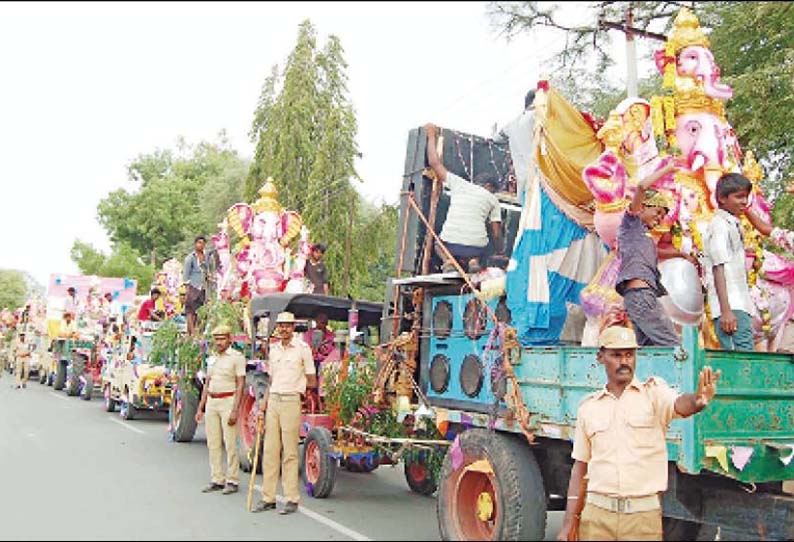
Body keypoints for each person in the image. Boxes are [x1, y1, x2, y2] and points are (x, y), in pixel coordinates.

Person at [557, 325, 721, 541]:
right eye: (616, 355)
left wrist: (697, 401)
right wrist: (569, 521)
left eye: (629, 354)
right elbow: (580, 467)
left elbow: (679, 404)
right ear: (600, 357)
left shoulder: (653, 395)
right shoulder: (588, 407)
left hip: (642, 518)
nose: (624, 361)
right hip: (597, 516)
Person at [253, 312, 317, 515]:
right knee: (270, 451)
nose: (284, 329)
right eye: (280, 326)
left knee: (289, 452)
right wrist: (263, 405)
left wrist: (300, 391)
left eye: (287, 326)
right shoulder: (273, 349)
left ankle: (291, 498)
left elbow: (312, 379)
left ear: (293, 327)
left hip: (291, 400)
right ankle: (268, 497)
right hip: (273, 400)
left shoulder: (302, 349)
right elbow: (271, 381)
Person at [614, 161, 681, 346]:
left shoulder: (643, 236)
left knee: (649, 349)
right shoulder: (631, 224)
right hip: (641, 295)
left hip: (638, 296)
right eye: (658, 212)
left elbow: (655, 252)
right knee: (672, 346)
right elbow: (643, 186)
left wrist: (681, 256)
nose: (660, 219)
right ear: (642, 207)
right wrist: (668, 168)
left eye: (663, 216)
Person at [424, 123, 503, 274]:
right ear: (488, 186)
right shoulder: (493, 200)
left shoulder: (459, 184)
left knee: (438, 245)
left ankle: (447, 261)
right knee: (484, 243)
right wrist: (500, 250)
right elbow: (496, 233)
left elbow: (434, 163)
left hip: (450, 244)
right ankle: (474, 261)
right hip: (477, 247)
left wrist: (431, 135)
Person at [703, 173, 754, 351]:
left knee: (745, 360)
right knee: (740, 362)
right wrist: (726, 311)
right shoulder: (719, 225)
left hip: (739, 304)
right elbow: (718, 267)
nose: (744, 202)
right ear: (722, 198)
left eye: (746, 197)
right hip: (731, 307)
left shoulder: (731, 223)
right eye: (739, 197)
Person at [195, 324, 246, 495]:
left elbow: (240, 385)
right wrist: (200, 408)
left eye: (222, 338)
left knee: (230, 442)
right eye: (216, 339)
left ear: (229, 339)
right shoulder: (212, 358)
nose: (219, 342)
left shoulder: (237, 357)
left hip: (228, 400)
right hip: (212, 401)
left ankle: (232, 479)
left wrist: (235, 410)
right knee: (213, 442)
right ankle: (217, 478)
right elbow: (207, 384)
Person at [183, 236, 208, 334]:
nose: (200, 245)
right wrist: (187, 289)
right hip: (193, 286)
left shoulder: (206, 257)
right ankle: (192, 333)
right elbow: (186, 275)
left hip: (203, 288)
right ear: (195, 244)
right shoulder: (190, 258)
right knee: (190, 311)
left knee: (201, 312)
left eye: (202, 243)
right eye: (199, 243)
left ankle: (198, 332)